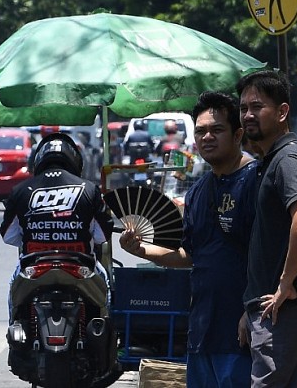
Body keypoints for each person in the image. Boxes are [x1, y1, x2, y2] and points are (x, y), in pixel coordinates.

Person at [120, 91, 257, 387]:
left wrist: (252, 312)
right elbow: (189, 256)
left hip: (244, 332)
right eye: (201, 131)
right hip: (202, 333)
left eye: (217, 130)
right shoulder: (198, 191)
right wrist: (141, 249)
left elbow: (274, 255)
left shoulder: (257, 181)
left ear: (238, 135)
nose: (208, 137)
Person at [236, 70, 297, 388]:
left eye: (257, 106)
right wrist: (251, 308)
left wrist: (285, 284)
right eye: (244, 107)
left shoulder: (288, 159)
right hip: (270, 309)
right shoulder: (272, 159)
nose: (248, 115)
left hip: (286, 308)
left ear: (282, 111)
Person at [0, 132, 114, 363]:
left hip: (33, 267)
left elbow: (9, 236)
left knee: (13, 297)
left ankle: (15, 329)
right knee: (106, 296)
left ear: (38, 160)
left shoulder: (21, 190)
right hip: (82, 268)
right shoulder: (88, 189)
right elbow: (101, 237)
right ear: (76, 160)